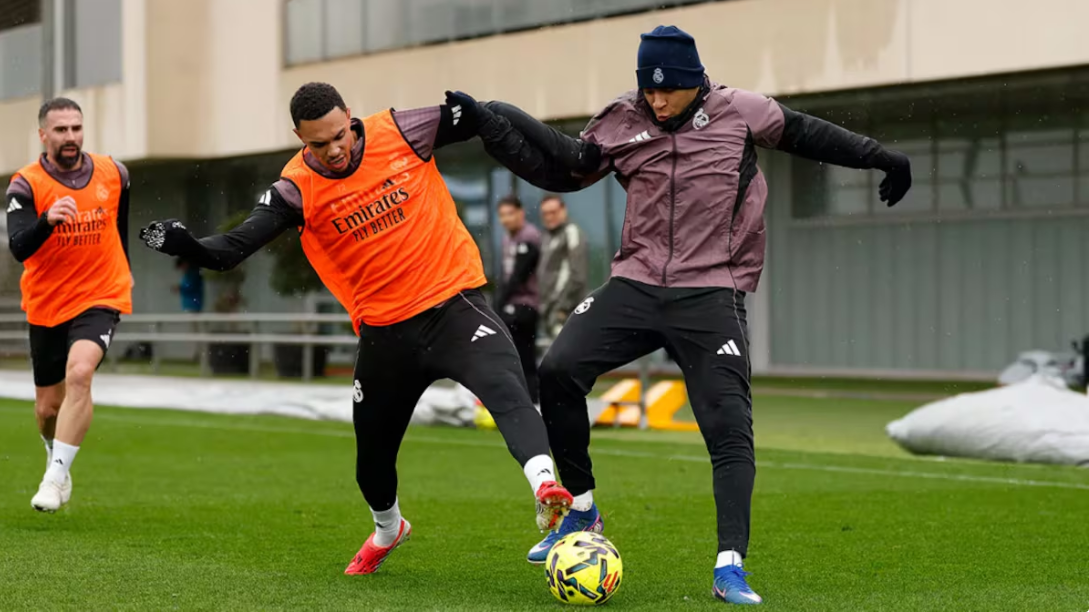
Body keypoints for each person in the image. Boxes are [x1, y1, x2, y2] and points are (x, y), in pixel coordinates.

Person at [448, 24, 912, 605]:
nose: (657, 101)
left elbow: (810, 135)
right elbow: (563, 167)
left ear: (695, 82)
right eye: (649, 90)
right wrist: (494, 120)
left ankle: (729, 567)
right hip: (636, 283)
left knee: (728, 425)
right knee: (559, 369)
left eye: (668, 90)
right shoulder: (622, 117)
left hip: (711, 293)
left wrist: (882, 158)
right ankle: (583, 511)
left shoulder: (741, 112)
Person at [138, 82, 572, 575]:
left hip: (454, 306)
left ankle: (545, 487)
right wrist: (186, 245)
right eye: (318, 143)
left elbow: (480, 117)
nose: (334, 150)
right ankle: (388, 528)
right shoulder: (294, 190)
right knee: (372, 463)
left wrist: (538, 148)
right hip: (386, 334)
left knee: (508, 391)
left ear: (350, 116)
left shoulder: (404, 130)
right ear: (299, 138)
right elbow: (231, 250)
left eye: (340, 135)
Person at [5, 97, 133, 513]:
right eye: (61, 130)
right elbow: (19, 247)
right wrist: (47, 221)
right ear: (43, 135)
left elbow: (119, 227)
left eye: (76, 127)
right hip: (48, 303)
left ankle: (55, 477)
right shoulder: (25, 184)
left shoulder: (115, 173)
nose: (71, 136)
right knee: (48, 409)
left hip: (101, 294)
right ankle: (52, 450)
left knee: (80, 373)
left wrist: (126, 271)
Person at [494, 195, 542, 403]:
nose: (506, 219)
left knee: (524, 355)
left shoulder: (529, 236)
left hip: (526, 304)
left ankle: (531, 401)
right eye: (502, 215)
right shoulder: (508, 238)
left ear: (521, 213)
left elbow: (518, 275)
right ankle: (519, 398)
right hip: (512, 303)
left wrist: (498, 303)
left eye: (510, 214)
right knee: (512, 355)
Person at [536, 195, 588, 339]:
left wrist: (562, 307)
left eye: (553, 212)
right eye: (545, 214)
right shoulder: (546, 236)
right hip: (549, 309)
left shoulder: (571, 231)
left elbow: (578, 274)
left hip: (565, 311)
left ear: (563, 210)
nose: (549, 217)